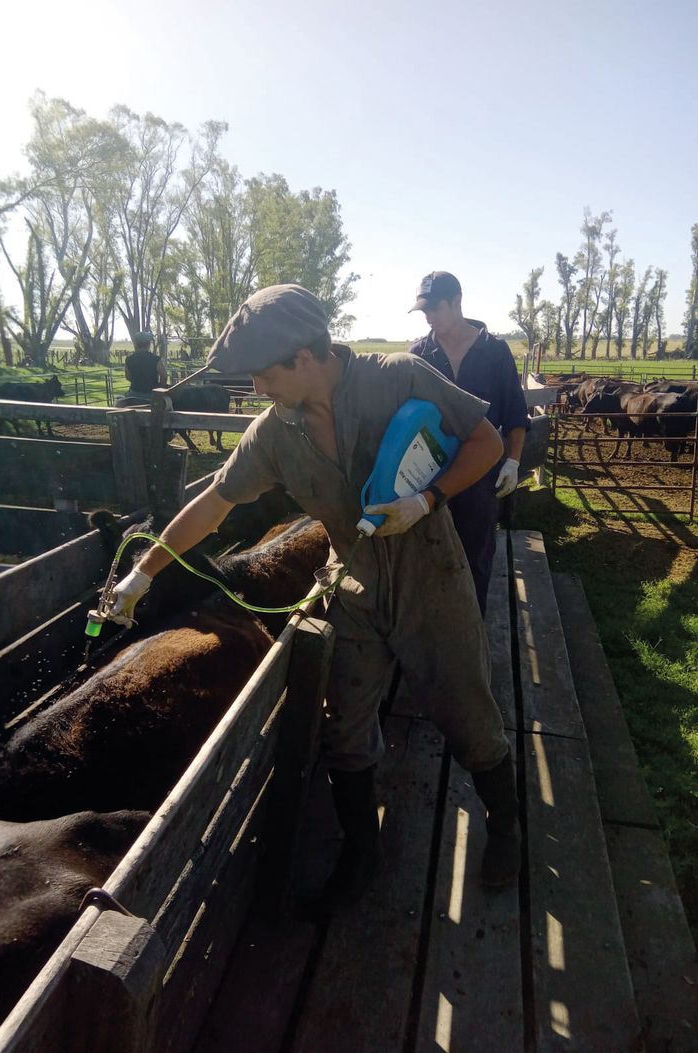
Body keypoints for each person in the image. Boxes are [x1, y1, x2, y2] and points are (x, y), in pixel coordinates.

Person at [106, 285, 521, 908]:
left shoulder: (398, 378)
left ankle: (508, 824)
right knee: (344, 727)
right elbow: (216, 504)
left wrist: (426, 501)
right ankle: (361, 851)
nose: (256, 391)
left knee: (466, 709)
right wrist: (145, 570)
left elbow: (486, 443)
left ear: (304, 357)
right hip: (350, 579)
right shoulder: (275, 434)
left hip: (429, 570)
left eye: (261, 375)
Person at [408, 272, 529, 617]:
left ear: (457, 302)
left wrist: (513, 462)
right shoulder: (418, 354)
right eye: (424, 311)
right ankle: (433, 630)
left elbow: (516, 415)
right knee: (428, 553)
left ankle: (472, 629)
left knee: (476, 554)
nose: (429, 317)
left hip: (480, 477)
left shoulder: (495, 352)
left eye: (435, 308)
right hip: (428, 474)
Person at [122, 331, 168, 402]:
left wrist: (138, 381)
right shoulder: (155, 359)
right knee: (169, 403)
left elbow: (128, 377)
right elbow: (164, 376)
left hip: (133, 394)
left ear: (135, 344)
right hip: (151, 395)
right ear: (148, 344)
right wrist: (161, 389)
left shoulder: (129, 359)